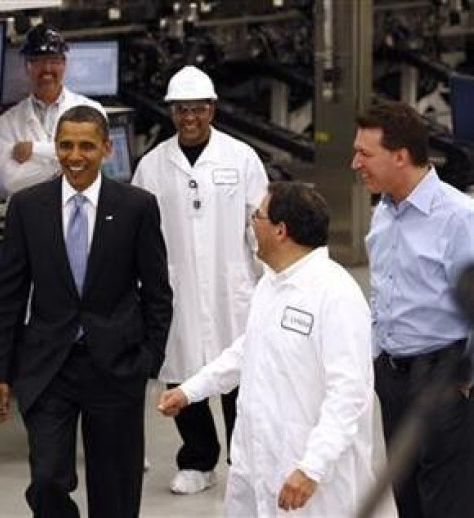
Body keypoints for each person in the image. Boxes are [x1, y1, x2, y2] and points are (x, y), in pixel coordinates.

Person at [0, 105, 173, 518]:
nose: (75, 156)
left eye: (87, 146)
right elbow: (8, 295)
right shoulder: (28, 207)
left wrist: (148, 360)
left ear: (106, 148)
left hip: (116, 366)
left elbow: (158, 292)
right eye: (66, 145)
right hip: (49, 366)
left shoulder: (136, 207)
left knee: (116, 491)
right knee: (48, 480)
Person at [158, 181, 383, 517]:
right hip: (257, 459)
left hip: (308, 475)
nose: (251, 224)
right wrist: (190, 391)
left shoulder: (335, 295)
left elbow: (348, 394)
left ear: (280, 231)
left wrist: (312, 467)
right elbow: (248, 348)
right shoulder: (271, 283)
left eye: (257, 216)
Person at [132, 65, 268, 495]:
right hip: (176, 290)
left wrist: (273, 278)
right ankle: (198, 460)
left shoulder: (241, 157)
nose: (189, 118)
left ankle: (241, 462)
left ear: (212, 109)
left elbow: (259, 223)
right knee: (183, 377)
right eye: (180, 110)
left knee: (238, 379)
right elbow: (138, 231)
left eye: (198, 109)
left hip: (233, 288)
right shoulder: (153, 165)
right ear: (170, 112)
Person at [352, 100, 474, 518]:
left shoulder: (458, 217)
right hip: (394, 379)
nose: (355, 163)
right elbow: (381, 292)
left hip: (445, 380)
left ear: (400, 156)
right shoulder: (384, 213)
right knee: (409, 502)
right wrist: (376, 355)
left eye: (365, 154)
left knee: (448, 504)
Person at [0, 23, 106, 194]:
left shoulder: (91, 109)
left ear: (64, 64)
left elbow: (91, 166)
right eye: (38, 61)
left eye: (53, 61)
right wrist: (64, 164)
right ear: (27, 66)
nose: (47, 69)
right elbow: (11, 182)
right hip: (29, 215)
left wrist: (35, 150)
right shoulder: (9, 121)